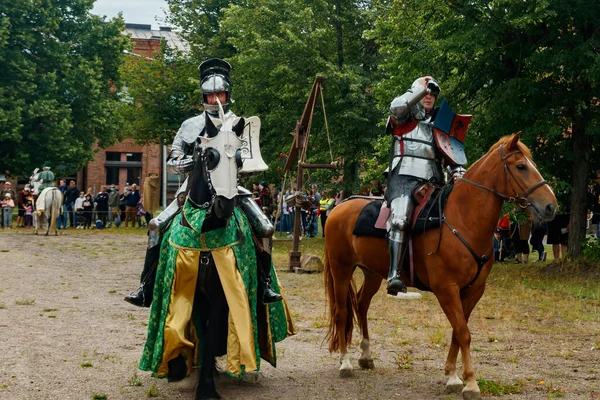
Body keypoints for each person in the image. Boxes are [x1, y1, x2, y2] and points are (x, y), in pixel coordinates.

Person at [125, 58, 281, 307]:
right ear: (204, 97)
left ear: (228, 94)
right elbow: (172, 159)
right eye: (211, 95)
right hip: (193, 188)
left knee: (265, 228)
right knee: (156, 225)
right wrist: (190, 162)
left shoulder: (241, 124)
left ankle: (264, 286)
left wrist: (238, 162)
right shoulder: (190, 125)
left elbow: (252, 162)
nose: (215, 99)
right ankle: (147, 286)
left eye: (220, 93)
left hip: (233, 187)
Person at [385, 76, 468, 295]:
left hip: (434, 181)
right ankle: (394, 274)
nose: (429, 95)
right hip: (404, 176)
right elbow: (397, 107)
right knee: (401, 219)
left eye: (432, 93)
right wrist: (419, 88)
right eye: (426, 92)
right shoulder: (403, 117)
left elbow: (452, 156)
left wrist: (458, 172)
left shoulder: (442, 122)